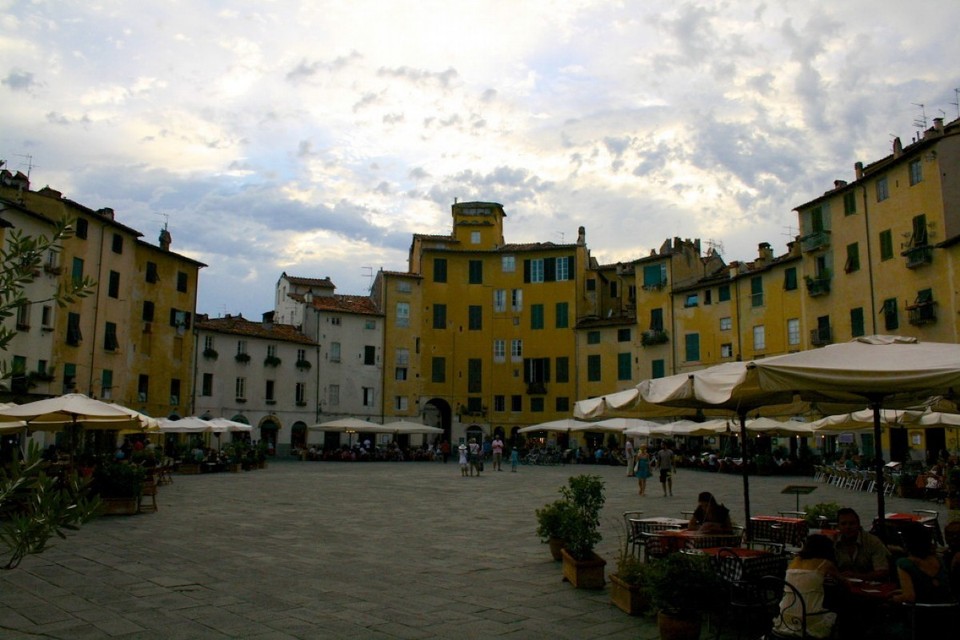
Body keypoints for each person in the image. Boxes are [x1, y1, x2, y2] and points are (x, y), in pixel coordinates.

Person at [774, 534, 840, 639]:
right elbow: (843, 581)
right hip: (809, 621)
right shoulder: (825, 563)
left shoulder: (795, 561)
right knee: (837, 612)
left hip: (785, 618)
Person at [889, 522, 953, 604]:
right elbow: (930, 588)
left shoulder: (904, 563)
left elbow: (909, 597)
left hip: (922, 611)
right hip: (948, 609)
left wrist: (894, 599)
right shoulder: (939, 559)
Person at [833, 507, 890, 581]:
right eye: (843, 524)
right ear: (838, 526)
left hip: (870, 585)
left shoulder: (873, 541)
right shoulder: (832, 542)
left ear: (858, 525)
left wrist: (857, 576)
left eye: (852, 523)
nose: (848, 527)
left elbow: (882, 572)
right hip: (840, 583)